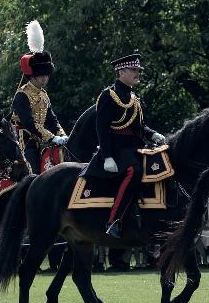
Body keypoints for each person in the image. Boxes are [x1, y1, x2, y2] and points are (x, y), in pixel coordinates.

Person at [81, 52, 165, 238]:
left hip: (135, 148)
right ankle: (114, 220)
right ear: (121, 72)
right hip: (116, 151)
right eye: (133, 70)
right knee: (134, 171)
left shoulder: (134, 97)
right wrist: (107, 156)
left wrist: (153, 134)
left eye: (138, 70)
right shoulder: (109, 95)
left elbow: (140, 127)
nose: (137, 73)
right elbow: (101, 128)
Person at [11, 20, 67, 174]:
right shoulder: (22, 95)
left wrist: (62, 135)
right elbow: (29, 123)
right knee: (33, 170)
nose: (45, 78)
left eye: (46, 75)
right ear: (32, 75)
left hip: (43, 139)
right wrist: (51, 137)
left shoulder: (43, 94)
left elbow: (52, 119)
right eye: (41, 75)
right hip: (25, 141)